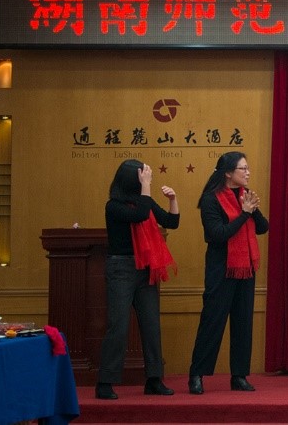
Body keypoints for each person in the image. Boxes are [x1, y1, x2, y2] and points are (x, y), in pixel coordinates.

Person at [96, 159, 179, 400]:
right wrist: (147, 187)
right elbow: (141, 215)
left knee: (151, 325)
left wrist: (173, 199)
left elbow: (171, 222)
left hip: (146, 269)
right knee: (118, 326)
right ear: (132, 180)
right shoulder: (113, 206)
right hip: (121, 268)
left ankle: (154, 379)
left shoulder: (145, 200)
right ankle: (105, 382)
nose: (147, 179)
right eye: (142, 176)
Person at [188, 152, 269, 394]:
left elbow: (263, 228)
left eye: (248, 168)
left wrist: (252, 210)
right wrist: (244, 213)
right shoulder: (210, 199)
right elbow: (217, 234)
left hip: (246, 269)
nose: (248, 172)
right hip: (221, 269)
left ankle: (239, 376)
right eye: (243, 168)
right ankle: (196, 374)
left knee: (243, 323)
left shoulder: (245, 194)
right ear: (228, 173)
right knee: (212, 321)